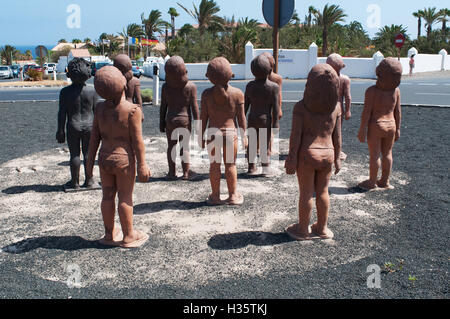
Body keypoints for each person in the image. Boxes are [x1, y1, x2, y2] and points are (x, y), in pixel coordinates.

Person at [86, 66, 151, 248]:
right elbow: (138, 142)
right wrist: (142, 165)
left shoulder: (99, 108)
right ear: (123, 83)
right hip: (124, 161)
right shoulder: (132, 110)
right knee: (125, 197)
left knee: (107, 196)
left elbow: (94, 139)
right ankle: (129, 235)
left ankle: (108, 234)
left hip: (105, 159)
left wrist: (89, 163)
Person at [285, 64, 342, 241]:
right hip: (328, 154)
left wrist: (291, 158)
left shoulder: (301, 108)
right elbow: (337, 137)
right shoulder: (336, 108)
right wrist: (338, 158)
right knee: (323, 192)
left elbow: (295, 137)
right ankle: (322, 228)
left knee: (306, 193)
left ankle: (303, 229)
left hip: (307, 155)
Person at [201, 57, 247, 206]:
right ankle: (233, 196)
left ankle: (215, 196)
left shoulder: (206, 95)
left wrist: (200, 136)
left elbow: (203, 119)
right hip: (229, 135)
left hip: (212, 134)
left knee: (214, 165)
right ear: (230, 74)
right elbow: (241, 118)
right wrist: (244, 136)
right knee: (230, 165)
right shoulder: (237, 94)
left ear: (209, 77)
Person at [357, 58, 402, 191]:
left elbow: (366, 113)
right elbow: (398, 112)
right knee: (388, 153)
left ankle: (372, 182)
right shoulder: (396, 91)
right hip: (391, 125)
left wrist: (362, 130)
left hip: (376, 125)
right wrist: (398, 128)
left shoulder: (372, 91)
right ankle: (385, 180)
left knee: (375, 155)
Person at [56, 58, 99, 190]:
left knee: (74, 154)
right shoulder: (92, 91)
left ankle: (74, 183)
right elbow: (97, 112)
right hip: (89, 125)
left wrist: (60, 130)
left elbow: (62, 113)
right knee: (88, 154)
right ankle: (89, 180)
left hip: (73, 125)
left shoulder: (65, 92)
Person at [160, 56, 200, 180]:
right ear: (184, 72)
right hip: (184, 121)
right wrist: (199, 124)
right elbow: (194, 107)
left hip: (170, 120)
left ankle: (172, 172)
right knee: (185, 147)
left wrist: (161, 122)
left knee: (171, 146)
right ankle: (186, 172)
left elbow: (163, 107)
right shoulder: (190, 87)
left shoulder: (166, 87)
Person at [244, 54, 280, 176]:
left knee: (252, 142)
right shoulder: (273, 87)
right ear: (270, 71)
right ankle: (265, 167)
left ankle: (251, 167)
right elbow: (275, 107)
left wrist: (242, 118)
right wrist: (275, 123)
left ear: (252, 72)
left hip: (252, 118)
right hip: (265, 120)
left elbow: (245, 105)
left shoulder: (249, 86)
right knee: (265, 144)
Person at [326, 53, 352, 161]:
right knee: (334, 131)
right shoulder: (328, 78)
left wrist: (348, 111)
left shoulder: (343, 79)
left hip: (335, 108)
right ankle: (332, 149)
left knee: (335, 131)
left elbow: (347, 97)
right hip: (330, 108)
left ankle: (337, 151)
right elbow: (348, 97)